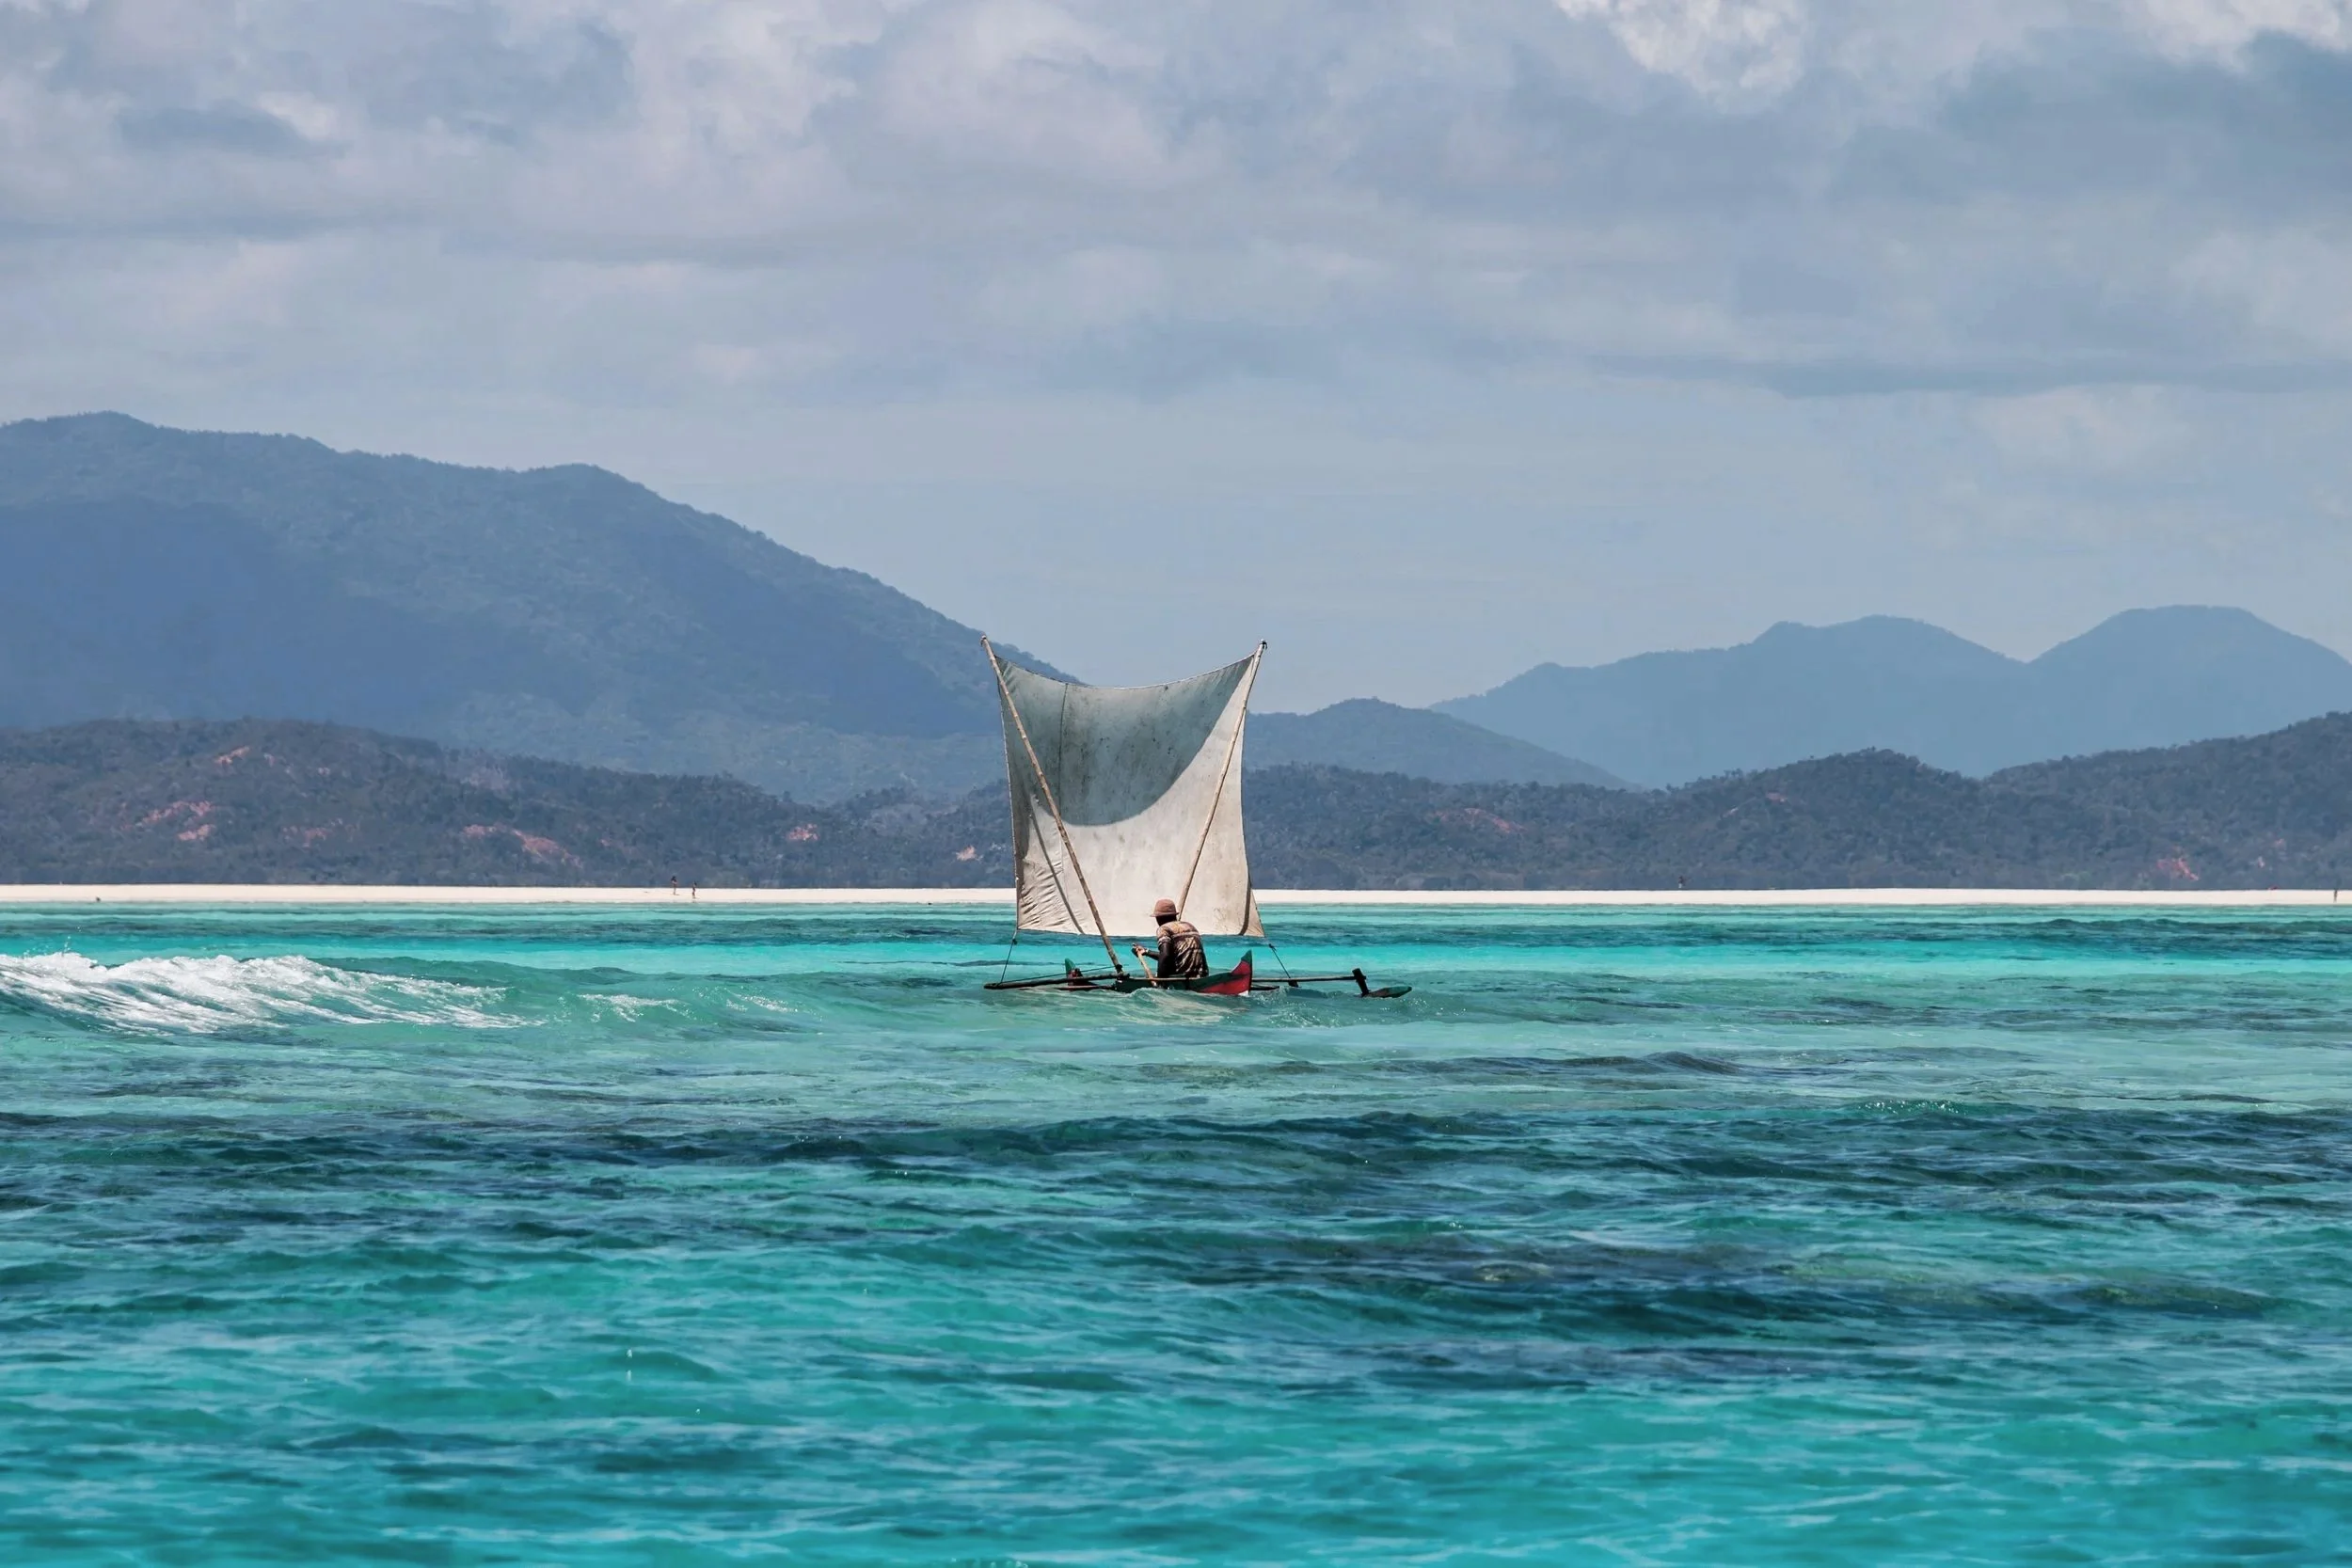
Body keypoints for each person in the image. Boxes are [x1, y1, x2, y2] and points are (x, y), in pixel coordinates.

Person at [1136, 897, 1208, 980]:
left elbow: (1165, 955)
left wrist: (1160, 980)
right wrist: (1146, 952)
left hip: (1181, 976)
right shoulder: (1190, 926)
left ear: (1158, 918)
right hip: (1202, 975)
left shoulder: (1163, 929)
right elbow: (1172, 956)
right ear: (1174, 915)